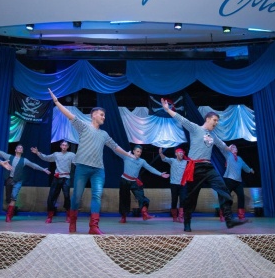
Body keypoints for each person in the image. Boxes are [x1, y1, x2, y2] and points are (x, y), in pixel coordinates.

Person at [49, 88, 135, 234]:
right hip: (82, 167)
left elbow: (115, 146)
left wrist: (127, 154)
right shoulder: (83, 127)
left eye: (104, 115)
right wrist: (57, 102)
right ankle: (73, 222)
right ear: (93, 115)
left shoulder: (104, 134)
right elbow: (69, 115)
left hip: (98, 170)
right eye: (102, 114)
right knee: (77, 196)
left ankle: (93, 226)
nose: (104, 117)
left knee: (97, 195)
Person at [161, 98, 246, 232]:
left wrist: (228, 148)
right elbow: (182, 120)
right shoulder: (196, 129)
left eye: (217, 121)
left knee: (223, 189)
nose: (216, 123)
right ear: (207, 119)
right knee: (191, 197)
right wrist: (167, 110)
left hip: (208, 167)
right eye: (214, 120)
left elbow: (221, 144)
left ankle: (229, 219)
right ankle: (187, 223)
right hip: (195, 168)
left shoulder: (212, 135)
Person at [0, 143, 51, 222]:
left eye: (21, 148)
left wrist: (43, 169)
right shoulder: (9, 157)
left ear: (22, 151)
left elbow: (33, 165)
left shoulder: (24, 160)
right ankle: (11, 211)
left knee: (14, 196)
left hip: (18, 181)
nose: (20, 148)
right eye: (18, 147)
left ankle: (8, 216)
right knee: (9, 198)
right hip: (9, 180)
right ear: (15, 150)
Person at [116, 145, 170, 223]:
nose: (139, 153)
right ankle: (123, 217)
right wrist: (110, 143)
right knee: (124, 199)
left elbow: (150, 168)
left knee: (142, 197)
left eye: (140, 152)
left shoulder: (142, 161)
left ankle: (145, 214)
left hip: (134, 181)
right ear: (134, 151)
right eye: (137, 151)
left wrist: (160, 174)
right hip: (124, 180)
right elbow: (116, 150)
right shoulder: (127, 156)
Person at [31, 141, 75, 224]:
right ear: (60, 146)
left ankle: (68, 216)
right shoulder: (56, 154)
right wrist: (38, 153)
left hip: (66, 178)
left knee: (67, 196)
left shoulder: (71, 155)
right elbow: (47, 158)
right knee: (52, 196)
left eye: (66, 145)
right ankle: (49, 216)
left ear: (68, 147)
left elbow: (78, 161)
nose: (64, 146)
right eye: (63, 145)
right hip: (57, 178)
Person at [220, 144, 255, 222]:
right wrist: (226, 148)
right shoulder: (228, 155)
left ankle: (241, 216)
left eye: (235, 147)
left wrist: (250, 170)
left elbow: (245, 166)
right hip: (229, 180)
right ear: (230, 149)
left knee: (241, 196)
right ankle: (223, 215)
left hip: (238, 182)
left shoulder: (240, 159)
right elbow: (222, 149)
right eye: (233, 147)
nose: (235, 148)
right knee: (226, 197)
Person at [159, 147, 188, 223]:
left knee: (183, 200)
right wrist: (160, 153)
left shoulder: (185, 162)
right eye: (180, 153)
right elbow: (164, 159)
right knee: (174, 200)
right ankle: (174, 216)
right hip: (174, 184)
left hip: (183, 184)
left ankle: (180, 216)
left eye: (182, 153)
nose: (181, 154)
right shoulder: (172, 161)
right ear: (176, 154)